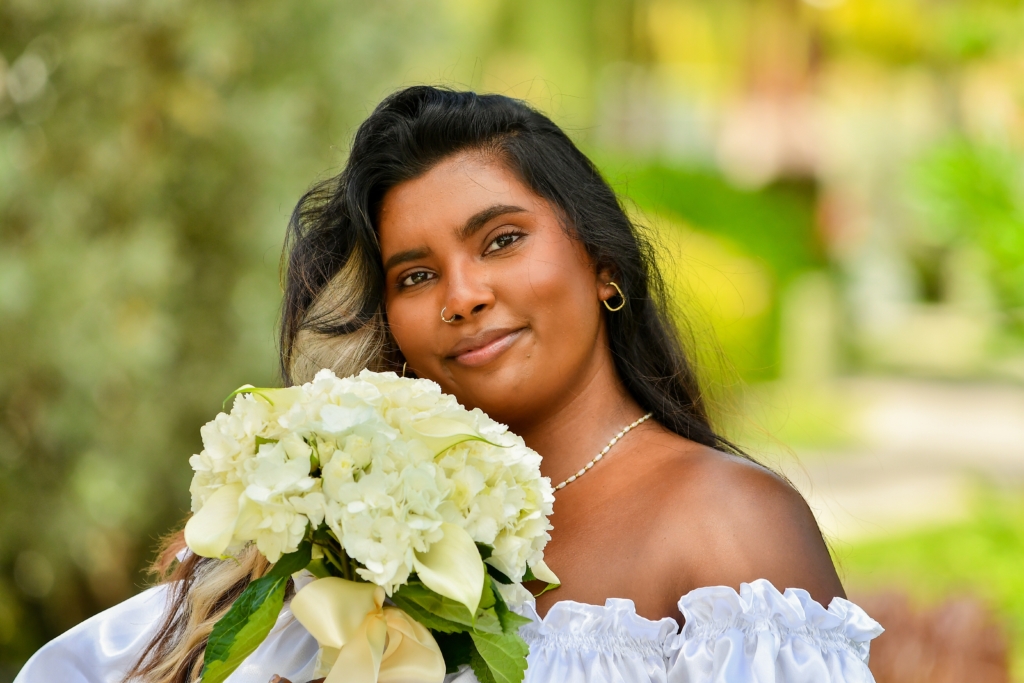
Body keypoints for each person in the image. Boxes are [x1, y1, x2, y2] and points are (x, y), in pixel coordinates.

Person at [15, 86, 881, 683]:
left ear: (603, 262)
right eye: (416, 275)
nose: (464, 295)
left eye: (501, 239)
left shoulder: (727, 522)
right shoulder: (366, 536)